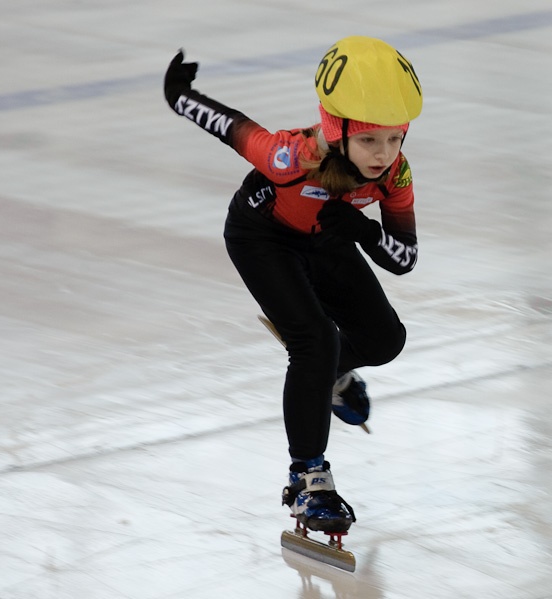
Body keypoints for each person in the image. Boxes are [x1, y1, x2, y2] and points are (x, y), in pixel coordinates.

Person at [163, 36, 423, 535]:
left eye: (395, 139)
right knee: (316, 340)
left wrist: (365, 231)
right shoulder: (292, 156)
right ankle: (308, 477)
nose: (383, 154)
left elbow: (405, 258)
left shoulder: (396, 173)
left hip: (327, 237)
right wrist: (180, 96)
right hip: (262, 237)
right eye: (370, 141)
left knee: (386, 339)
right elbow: (233, 129)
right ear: (337, 130)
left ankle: (326, 374)